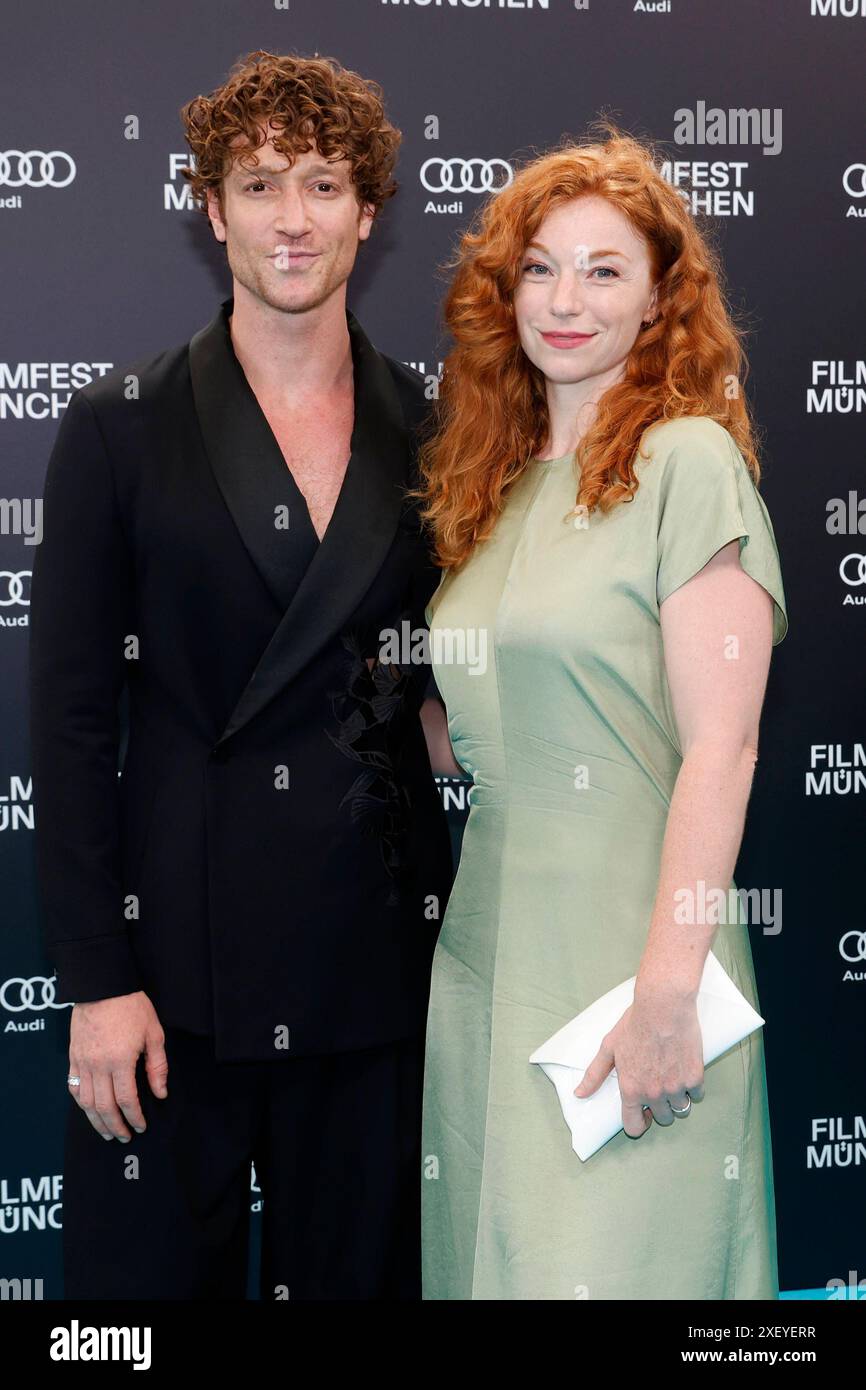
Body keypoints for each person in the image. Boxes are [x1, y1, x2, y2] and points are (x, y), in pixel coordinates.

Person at [28, 49, 452, 1301]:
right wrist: (98, 980)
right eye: (259, 184)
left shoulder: (429, 428)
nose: (292, 219)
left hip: (369, 953)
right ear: (210, 209)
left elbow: (447, 677)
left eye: (322, 184)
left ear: (368, 212)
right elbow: (66, 726)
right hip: (172, 972)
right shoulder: (117, 426)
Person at [414, 127, 788, 1300]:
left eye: (603, 270)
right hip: (484, 967)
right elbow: (493, 720)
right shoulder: (501, 484)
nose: (563, 299)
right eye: (539, 267)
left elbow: (720, 748)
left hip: (629, 978)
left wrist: (667, 993)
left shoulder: (687, 463)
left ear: (658, 303)